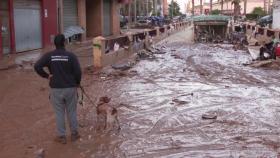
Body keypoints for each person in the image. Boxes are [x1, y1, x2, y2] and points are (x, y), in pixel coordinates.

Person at [34, 34, 82, 144]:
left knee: (59, 113)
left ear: (54, 44)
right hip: (70, 88)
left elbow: (37, 66)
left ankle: (62, 137)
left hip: (56, 89)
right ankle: (74, 135)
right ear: (65, 43)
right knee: (72, 112)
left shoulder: (49, 56)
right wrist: (77, 83)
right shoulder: (71, 56)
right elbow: (78, 72)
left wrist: (46, 76)